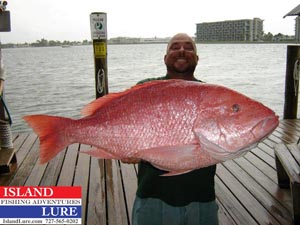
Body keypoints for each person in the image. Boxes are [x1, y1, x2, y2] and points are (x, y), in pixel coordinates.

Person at [123, 33, 219, 225]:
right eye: (175, 47)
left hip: (202, 197)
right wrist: (123, 149)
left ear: (197, 59)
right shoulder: (145, 89)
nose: (182, 50)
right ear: (165, 58)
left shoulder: (212, 97)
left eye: (189, 47)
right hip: (152, 196)